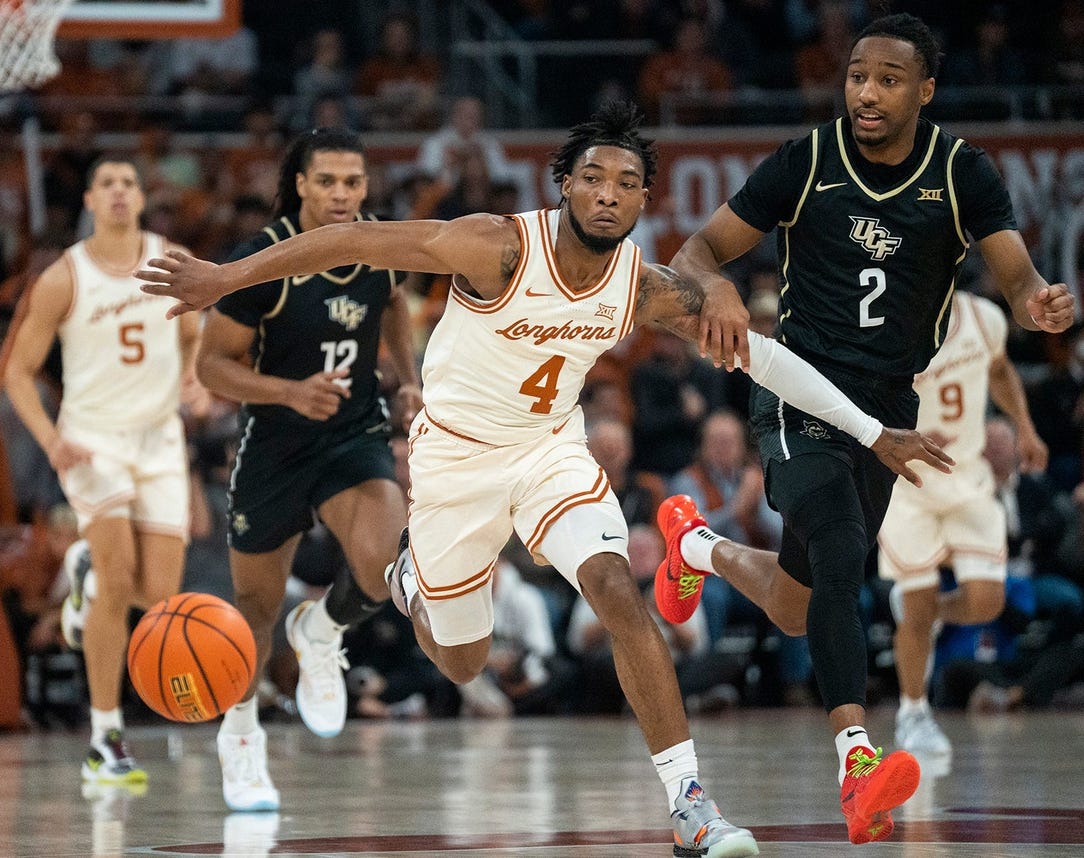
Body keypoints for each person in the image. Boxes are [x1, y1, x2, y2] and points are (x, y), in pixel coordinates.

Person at [138, 100, 952, 858]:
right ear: (564, 184)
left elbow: (765, 357)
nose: (609, 195)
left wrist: (874, 432)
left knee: (614, 586)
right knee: (462, 663)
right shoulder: (493, 245)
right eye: (594, 178)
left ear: (642, 203)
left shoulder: (640, 285)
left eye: (628, 184)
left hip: (548, 453)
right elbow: (352, 242)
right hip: (456, 461)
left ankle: (690, 804)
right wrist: (224, 278)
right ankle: (414, 577)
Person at [652, 13, 1075, 845]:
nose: (867, 92)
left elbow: (1016, 272)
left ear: (925, 89)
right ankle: (857, 764)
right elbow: (698, 250)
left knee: (800, 601)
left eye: (887, 79)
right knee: (843, 549)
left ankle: (693, 550)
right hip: (797, 390)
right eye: (856, 76)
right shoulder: (808, 159)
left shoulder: (962, 173)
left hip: (889, 411)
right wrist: (721, 287)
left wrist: (1037, 303)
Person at [192, 127, 422, 812]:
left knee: (384, 565)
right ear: (300, 185)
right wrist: (287, 391)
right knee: (255, 609)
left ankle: (321, 632)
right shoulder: (259, 262)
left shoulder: (381, 244)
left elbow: (395, 307)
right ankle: (240, 738)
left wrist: (405, 378)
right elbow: (210, 367)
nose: (342, 194)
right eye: (328, 181)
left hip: (354, 433)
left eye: (353, 182)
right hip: (274, 446)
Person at [4, 155, 201, 783]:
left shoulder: (172, 260)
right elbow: (15, 373)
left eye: (129, 183)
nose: (119, 192)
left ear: (142, 198)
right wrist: (51, 439)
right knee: (119, 581)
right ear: (90, 199)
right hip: (92, 443)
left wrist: (195, 378)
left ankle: (83, 576)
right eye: (108, 183)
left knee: (159, 598)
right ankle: (105, 740)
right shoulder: (65, 276)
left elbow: (196, 334)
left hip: (160, 440)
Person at [877, 290, 1047, 756]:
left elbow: (999, 371)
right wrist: (894, 431)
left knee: (986, 602)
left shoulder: (985, 317)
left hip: (968, 476)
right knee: (917, 601)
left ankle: (925, 616)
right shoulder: (884, 316)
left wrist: (1026, 429)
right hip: (907, 483)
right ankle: (913, 713)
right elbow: (860, 394)